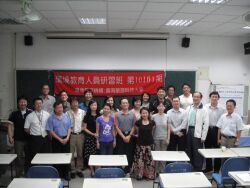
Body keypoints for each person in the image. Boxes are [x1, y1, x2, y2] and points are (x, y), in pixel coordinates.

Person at [7, 96, 32, 177]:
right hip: (18, 140)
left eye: (24, 101)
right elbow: (10, 126)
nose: (23, 103)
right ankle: (19, 175)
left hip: (29, 139)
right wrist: (10, 137)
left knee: (29, 157)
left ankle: (28, 173)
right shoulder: (14, 114)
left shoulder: (31, 112)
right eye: (21, 102)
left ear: (27, 103)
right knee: (18, 158)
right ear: (18, 103)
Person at [46, 101, 72, 180]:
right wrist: (60, 139)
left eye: (61, 107)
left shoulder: (66, 116)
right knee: (57, 157)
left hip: (66, 138)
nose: (60, 109)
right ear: (54, 109)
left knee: (66, 157)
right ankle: (58, 173)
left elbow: (69, 128)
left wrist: (67, 137)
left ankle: (66, 173)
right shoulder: (51, 118)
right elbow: (51, 131)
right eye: (58, 108)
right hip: (56, 140)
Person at [186, 92, 209, 171]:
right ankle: (190, 167)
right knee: (189, 150)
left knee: (197, 152)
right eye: (194, 97)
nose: (195, 98)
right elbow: (186, 120)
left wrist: (203, 137)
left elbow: (206, 124)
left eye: (197, 97)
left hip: (198, 133)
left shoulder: (204, 109)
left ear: (200, 98)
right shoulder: (189, 107)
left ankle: (198, 169)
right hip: (189, 131)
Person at [131, 107, 156, 180]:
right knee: (140, 160)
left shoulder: (152, 122)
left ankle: (149, 175)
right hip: (140, 144)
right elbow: (137, 132)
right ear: (141, 114)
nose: (144, 114)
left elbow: (152, 132)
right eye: (143, 113)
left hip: (149, 144)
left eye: (146, 113)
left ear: (148, 114)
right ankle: (139, 175)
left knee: (149, 160)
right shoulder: (138, 122)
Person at [203, 91, 226, 173]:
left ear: (218, 98)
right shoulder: (205, 107)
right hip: (207, 130)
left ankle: (216, 169)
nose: (214, 98)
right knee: (207, 149)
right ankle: (208, 167)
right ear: (210, 98)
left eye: (216, 97)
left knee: (217, 150)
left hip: (217, 130)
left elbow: (224, 121)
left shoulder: (222, 109)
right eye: (213, 96)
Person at [24, 97, 51, 164]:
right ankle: (36, 172)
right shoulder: (29, 116)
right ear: (34, 105)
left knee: (46, 156)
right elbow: (26, 128)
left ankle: (46, 171)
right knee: (35, 157)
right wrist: (33, 133)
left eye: (40, 103)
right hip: (35, 139)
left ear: (42, 104)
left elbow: (50, 126)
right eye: (37, 103)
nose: (39, 105)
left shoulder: (47, 114)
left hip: (45, 138)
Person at [115, 98, 137, 174]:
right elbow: (116, 127)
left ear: (128, 104)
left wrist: (129, 136)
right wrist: (123, 137)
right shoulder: (117, 114)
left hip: (130, 136)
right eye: (123, 103)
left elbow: (134, 126)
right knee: (120, 152)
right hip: (120, 136)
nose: (125, 104)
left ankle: (128, 169)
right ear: (120, 105)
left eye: (126, 103)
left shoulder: (132, 114)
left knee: (129, 153)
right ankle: (120, 169)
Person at [66, 97, 85, 178]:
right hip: (71, 135)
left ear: (78, 103)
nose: (75, 104)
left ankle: (79, 169)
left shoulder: (83, 112)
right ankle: (73, 169)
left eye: (76, 102)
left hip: (80, 135)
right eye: (73, 103)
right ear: (70, 105)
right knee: (71, 153)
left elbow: (85, 123)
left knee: (80, 153)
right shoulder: (67, 113)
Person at [83, 100, 100, 177]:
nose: (94, 106)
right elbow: (84, 128)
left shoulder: (99, 115)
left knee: (97, 154)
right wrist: (93, 134)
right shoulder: (86, 116)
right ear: (89, 106)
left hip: (98, 138)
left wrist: (97, 135)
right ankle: (92, 171)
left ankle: (96, 169)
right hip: (89, 137)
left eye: (95, 105)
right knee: (90, 155)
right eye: (92, 105)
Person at [152, 103, 170, 174]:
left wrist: (168, 138)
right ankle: (155, 171)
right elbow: (152, 129)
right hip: (156, 138)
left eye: (162, 106)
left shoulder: (167, 116)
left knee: (163, 155)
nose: (161, 107)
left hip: (164, 138)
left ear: (164, 108)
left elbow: (169, 128)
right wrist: (151, 138)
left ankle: (162, 171)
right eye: (159, 106)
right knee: (156, 155)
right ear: (157, 107)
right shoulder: (153, 116)